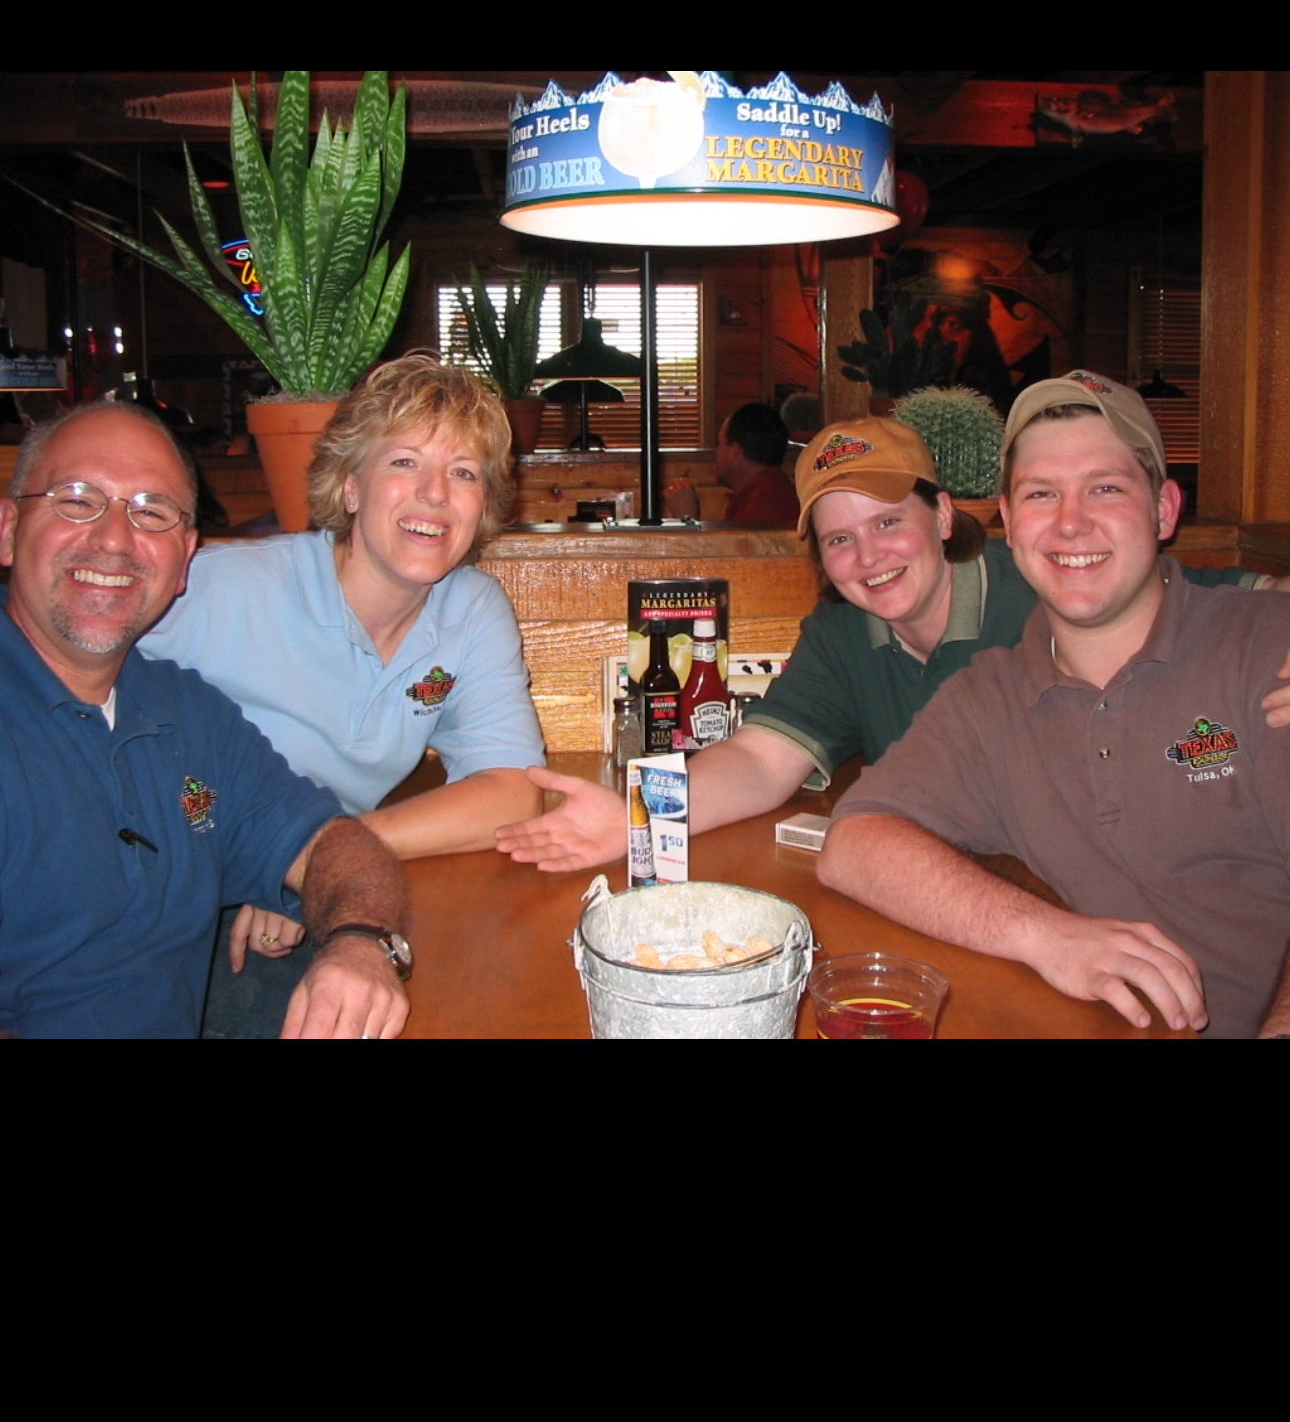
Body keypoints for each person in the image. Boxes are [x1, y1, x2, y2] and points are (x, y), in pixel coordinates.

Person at [498, 402, 1290, 880]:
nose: (869, 556)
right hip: (983, 890)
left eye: (888, 523)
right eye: (839, 540)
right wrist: (636, 816)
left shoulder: (1050, 584)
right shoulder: (844, 632)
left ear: (943, 518)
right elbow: (757, 762)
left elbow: (1226, 599)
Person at [818, 375, 1290, 1035]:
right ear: (1009, 523)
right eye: (1042, 493)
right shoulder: (989, 696)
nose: (1071, 521)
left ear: (1163, 509)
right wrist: (1044, 935)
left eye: (1105, 487)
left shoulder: (1266, 647)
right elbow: (853, 845)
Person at [137, 355, 545, 1035]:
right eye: (405, 463)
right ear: (351, 487)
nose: (436, 493)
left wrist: (311, 859)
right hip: (178, 903)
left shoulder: (470, 610)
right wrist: (271, 862)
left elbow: (512, 791)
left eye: (464, 473)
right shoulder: (223, 589)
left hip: (319, 903)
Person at [0, 402, 412, 1039]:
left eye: (151, 511)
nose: (113, 538)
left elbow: (334, 845)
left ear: (186, 555)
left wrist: (360, 945)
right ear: (7, 527)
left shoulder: (185, 712)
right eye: (77, 499)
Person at [663, 402, 800, 526]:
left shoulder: (764, 507)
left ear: (734, 451)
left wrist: (688, 520)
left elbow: (729, 554)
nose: (717, 453)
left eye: (720, 444)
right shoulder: (768, 492)